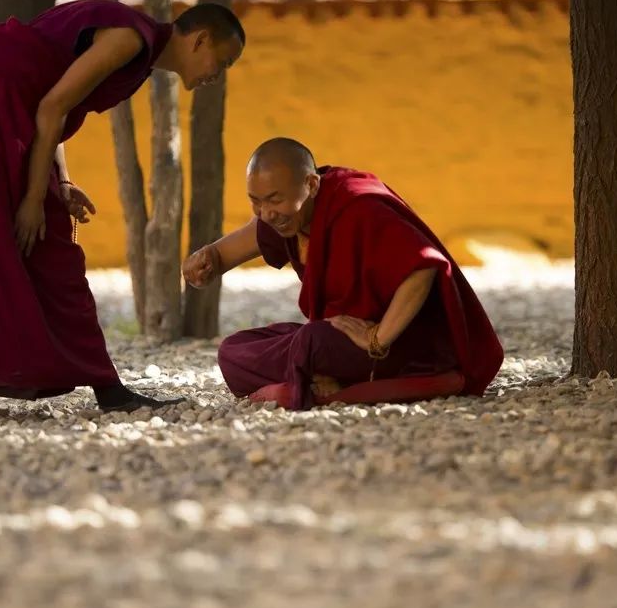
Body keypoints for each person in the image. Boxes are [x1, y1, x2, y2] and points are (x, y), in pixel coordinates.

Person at [0, 0, 245, 427]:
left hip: (23, 117)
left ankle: (108, 387)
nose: (216, 75)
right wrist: (35, 198)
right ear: (200, 39)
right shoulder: (130, 39)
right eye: (221, 62)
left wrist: (63, 183)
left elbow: (57, 103)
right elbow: (50, 107)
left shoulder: (140, 54)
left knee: (53, 243)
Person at [183, 138, 504, 411]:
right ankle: (322, 381)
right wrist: (213, 256)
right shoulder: (292, 214)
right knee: (233, 350)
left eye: (275, 200)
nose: (266, 213)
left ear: (310, 184)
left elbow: (424, 267)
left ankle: (310, 388)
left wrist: (377, 338)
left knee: (311, 342)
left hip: (405, 346)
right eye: (256, 201)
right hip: (342, 340)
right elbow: (258, 232)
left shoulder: (358, 207)